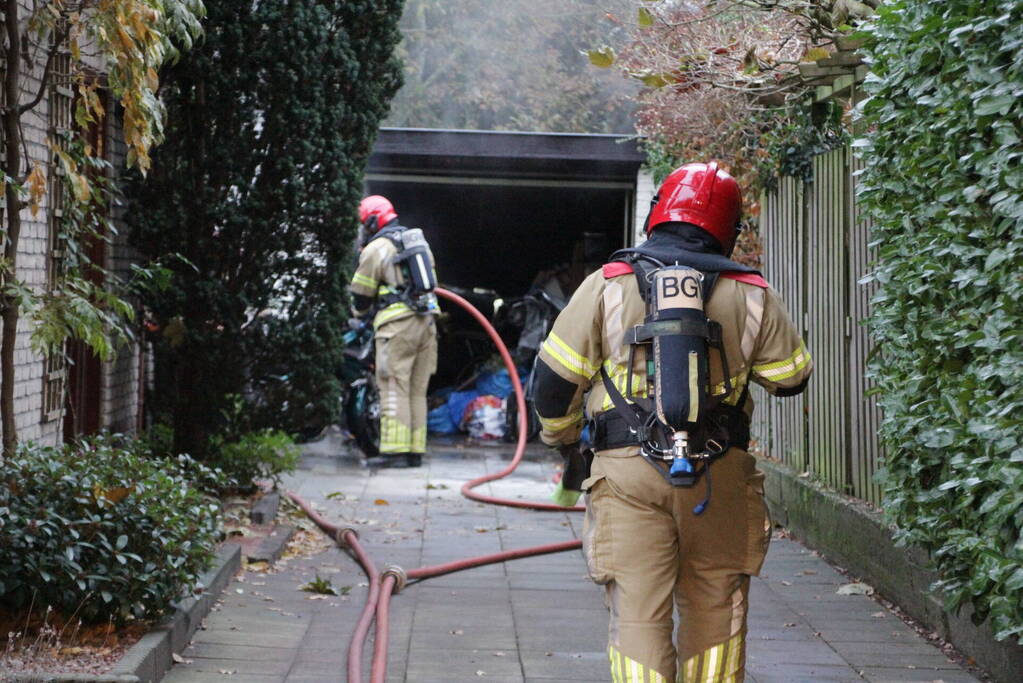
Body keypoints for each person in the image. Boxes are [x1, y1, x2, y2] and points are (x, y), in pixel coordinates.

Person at [533, 162, 812, 682]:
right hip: (719, 475)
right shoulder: (753, 292)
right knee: (715, 610)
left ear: (658, 211)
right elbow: (790, 378)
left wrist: (563, 435)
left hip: (627, 473)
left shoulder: (607, 284)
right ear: (728, 226)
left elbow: (553, 382)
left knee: (638, 613)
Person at [349, 195, 439, 468]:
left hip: (397, 327)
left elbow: (361, 295)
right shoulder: (417, 243)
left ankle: (395, 452)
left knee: (393, 386)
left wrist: (359, 316)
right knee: (416, 389)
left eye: (366, 222)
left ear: (374, 221)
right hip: (427, 324)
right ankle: (414, 452)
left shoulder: (377, 248)